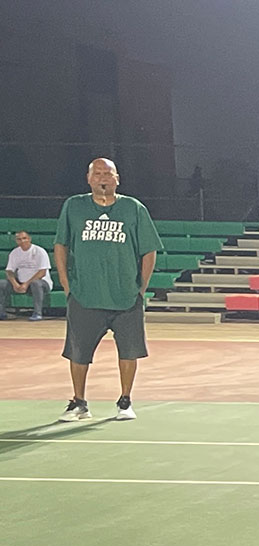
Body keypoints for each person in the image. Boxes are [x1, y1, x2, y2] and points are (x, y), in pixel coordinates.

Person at [53, 158, 160, 422]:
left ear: (117, 179)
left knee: (129, 351)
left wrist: (141, 288)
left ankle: (125, 401)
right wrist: (67, 285)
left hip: (125, 296)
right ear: (89, 179)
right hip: (85, 296)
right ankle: (79, 403)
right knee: (78, 353)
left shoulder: (133, 208)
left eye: (108, 174)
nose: (103, 178)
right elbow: (61, 245)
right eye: (97, 173)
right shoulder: (74, 206)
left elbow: (148, 250)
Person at [8, 230, 52, 319]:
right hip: (21, 283)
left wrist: (26, 284)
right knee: (2, 284)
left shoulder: (40, 251)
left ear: (29, 239)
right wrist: (15, 284)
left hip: (41, 283)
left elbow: (42, 272)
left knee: (35, 283)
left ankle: (37, 313)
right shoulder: (14, 253)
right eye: (19, 239)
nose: (22, 241)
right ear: (17, 241)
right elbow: (9, 271)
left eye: (24, 238)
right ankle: (2, 312)